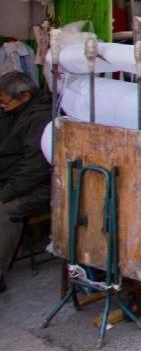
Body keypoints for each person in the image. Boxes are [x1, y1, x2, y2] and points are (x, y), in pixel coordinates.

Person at [0, 72, 52, 293]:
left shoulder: (39, 118)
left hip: (39, 184)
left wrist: (5, 193)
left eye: (5, 100)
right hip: (11, 176)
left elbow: (33, 169)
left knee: (3, 211)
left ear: (24, 96)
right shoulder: (10, 112)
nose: (3, 104)